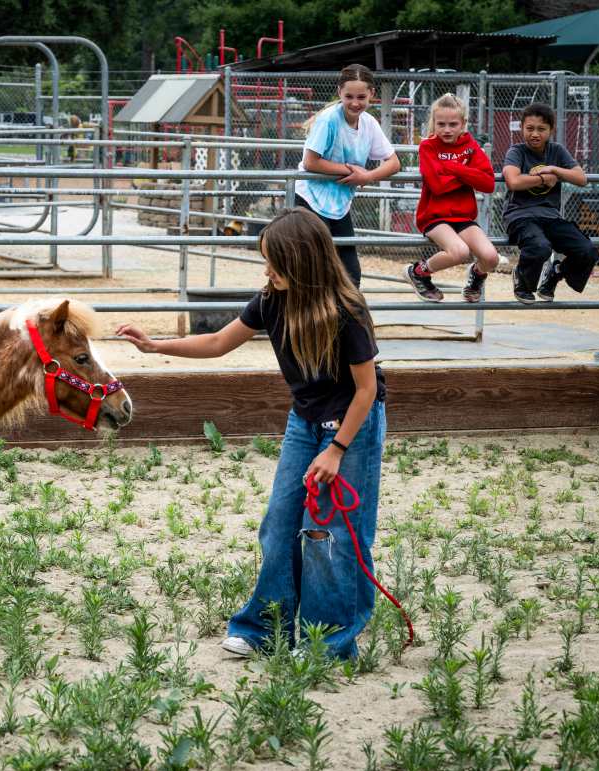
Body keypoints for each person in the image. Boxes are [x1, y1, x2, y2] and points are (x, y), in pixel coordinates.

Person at [117, 207, 386, 660]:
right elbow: (219, 342)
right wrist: (155, 345)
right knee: (280, 523)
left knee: (328, 532)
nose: (268, 271)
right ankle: (264, 628)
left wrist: (337, 449)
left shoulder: (348, 311)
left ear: (302, 262)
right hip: (304, 422)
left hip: (350, 425)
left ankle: (329, 643)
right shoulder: (271, 299)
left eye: (275, 263)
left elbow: (367, 389)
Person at [295, 64, 401, 286]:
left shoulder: (369, 123)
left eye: (361, 96)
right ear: (339, 92)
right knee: (313, 268)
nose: (355, 102)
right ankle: (309, 319)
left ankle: (346, 319)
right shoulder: (328, 120)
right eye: (349, 96)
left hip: (339, 204)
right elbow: (310, 161)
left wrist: (369, 176)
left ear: (372, 94)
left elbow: (394, 162)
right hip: (311, 200)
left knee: (351, 275)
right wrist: (352, 170)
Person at [404, 93, 498, 303]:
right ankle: (418, 272)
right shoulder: (428, 146)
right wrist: (467, 172)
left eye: (453, 124)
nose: (447, 129)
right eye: (441, 124)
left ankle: (476, 276)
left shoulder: (471, 146)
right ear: (433, 123)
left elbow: (488, 184)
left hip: (463, 217)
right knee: (459, 252)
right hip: (434, 216)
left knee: (491, 258)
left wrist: (451, 168)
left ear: (463, 123)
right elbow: (437, 186)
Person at [503, 102, 598, 304]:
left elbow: (581, 178)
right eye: (529, 128)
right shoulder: (517, 151)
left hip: (550, 216)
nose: (535, 134)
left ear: (551, 130)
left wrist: (554, 170)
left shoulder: (556, 151)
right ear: (522, 128)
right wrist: (544, 179)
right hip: (521, 215)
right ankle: (523, 280)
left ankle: (555, 273)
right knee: (540, 247)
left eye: (541, 129)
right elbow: (513, 181)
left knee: (587, 250)